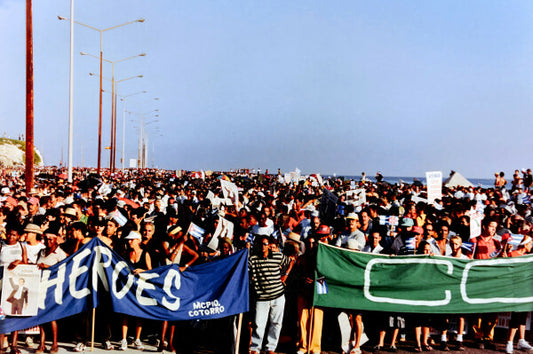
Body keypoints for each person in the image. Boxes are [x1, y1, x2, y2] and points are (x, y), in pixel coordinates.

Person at [248, 235, 291, 354]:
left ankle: (271, 348)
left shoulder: (277, 256)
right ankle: (255, 348)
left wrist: (285, 275)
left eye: (265, 244)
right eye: (260, 244)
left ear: (268, 245)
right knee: (259, 324)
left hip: (278, 295)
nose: (263, 246)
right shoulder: (253, 259)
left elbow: (290, 261)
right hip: (262, 297)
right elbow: (245, 272)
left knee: (276, 323)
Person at [35, 230, 68, 354]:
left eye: (51, 239)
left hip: (53, 286)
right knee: (41, 314)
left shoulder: (60, 253)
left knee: (52, 316)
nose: (48, 241)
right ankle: (42, 343)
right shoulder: (42, 251)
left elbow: (64, 269)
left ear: (55, 240)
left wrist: (48, 267)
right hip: (41, 285)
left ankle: (55, 343)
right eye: (46, 239)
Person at [120, 231, 152, 351]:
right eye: (128, 240)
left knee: (139, 313)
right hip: (128, 287)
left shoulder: (145, 254)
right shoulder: (126, 253)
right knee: (125, 312)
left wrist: (141, 271)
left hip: (140, 287)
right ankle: (124, 339)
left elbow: (150, 271)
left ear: (138, 240)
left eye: (131, 239)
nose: (129, 242)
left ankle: (137, 338)